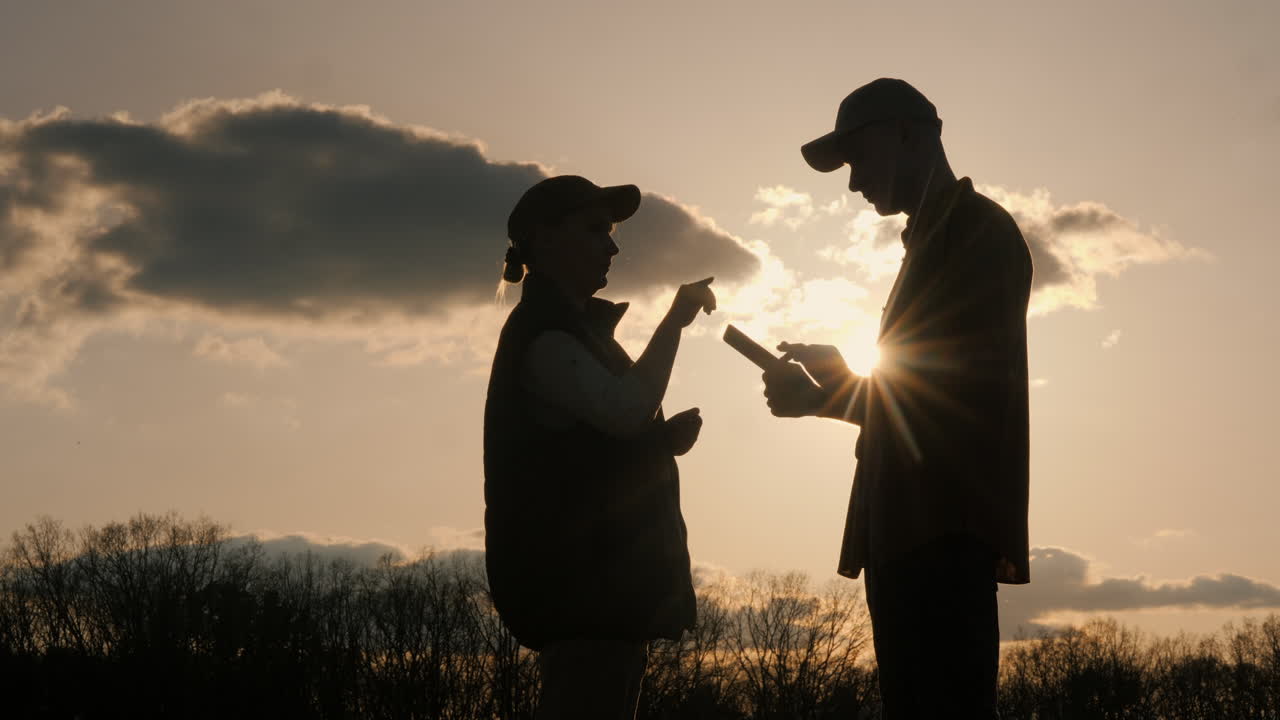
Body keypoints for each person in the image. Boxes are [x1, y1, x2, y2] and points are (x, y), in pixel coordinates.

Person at [761, 78, 1033, 719]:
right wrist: (837, 378)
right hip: (911, 530)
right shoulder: (940, 237)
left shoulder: (974, 233)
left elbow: (944, 399)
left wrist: (821, 396)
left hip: (939, 530)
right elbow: (922, 393)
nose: (853, 184)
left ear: (911, 134)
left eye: (857, 159)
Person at [483, 175, 716, 719]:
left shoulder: (570, 333)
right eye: (594, 230)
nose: (612, 246)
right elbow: (622, 412)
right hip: (583, 601)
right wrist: (676, 321)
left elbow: (593, 442)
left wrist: (656, 443)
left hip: (600, 603)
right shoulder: (544, 336)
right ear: (542, 239)